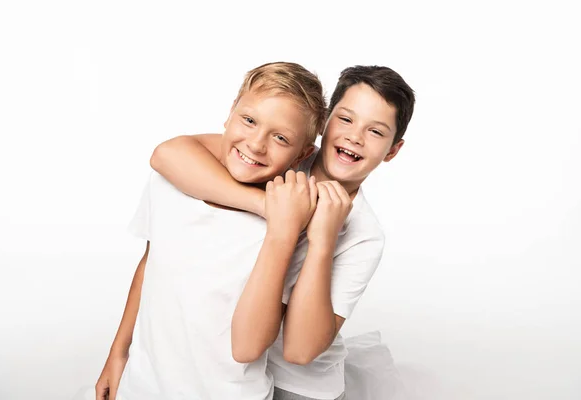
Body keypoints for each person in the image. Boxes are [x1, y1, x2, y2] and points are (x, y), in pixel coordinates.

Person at [150, 65, 416, 400]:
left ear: (392, 150)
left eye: (375, 132)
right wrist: (270, 208)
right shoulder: (280, 152)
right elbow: (170, 155)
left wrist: (324, 240)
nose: (354, 136)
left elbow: (300, 351)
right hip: (229, 367)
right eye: (346, 119)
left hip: (299, 385)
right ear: (324, 122)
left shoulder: (365, 236)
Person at [94, 61, 327, 400]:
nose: (256, 144)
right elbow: (150, 265)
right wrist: (118, 354)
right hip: (142, 387)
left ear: (302, 154)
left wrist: (282, 230)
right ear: (231, 112)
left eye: (280, 138)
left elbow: (251, 345)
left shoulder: (291, 225)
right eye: (249, 120)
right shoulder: (171, 182)